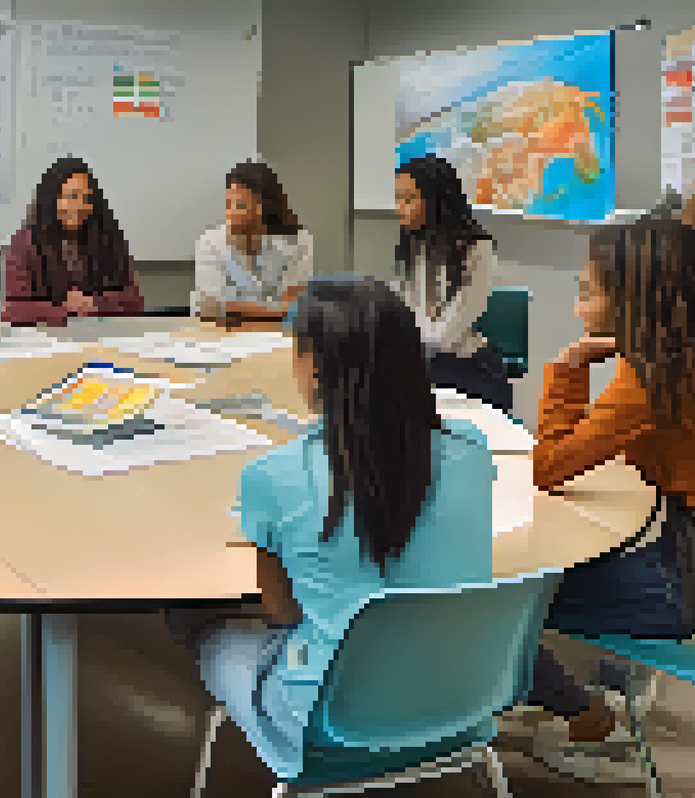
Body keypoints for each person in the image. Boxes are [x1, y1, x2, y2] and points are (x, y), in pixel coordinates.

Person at [166, 276, 496, 781]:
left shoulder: (274, 476)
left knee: (193, 618)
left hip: (328, 725)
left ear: (314, 367)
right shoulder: (472, 448)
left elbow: (282, 611)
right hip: (461, 704)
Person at [524, 218, 695, 783]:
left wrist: (567, 372)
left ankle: (592, 722)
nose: (576, 309)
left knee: (518, 603)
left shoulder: (648, 377)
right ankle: (610, 694)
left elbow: (549, 467)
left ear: (635, 302)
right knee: (566, 573)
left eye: (586, 292)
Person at [392, 155, 514, 412]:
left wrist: (404, 331)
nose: (399, 208)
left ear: (435, 200)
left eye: (408, 199)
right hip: (423, 361)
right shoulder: (416, 244)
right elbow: (402, 309)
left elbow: (447, 336)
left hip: (467, 371)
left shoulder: (476, 249)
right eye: (398, 199)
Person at [1, 156, 144, 325]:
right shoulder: (24, 244)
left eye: (87, 198)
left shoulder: (108, 239)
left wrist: (94, 304)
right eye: (72, 196)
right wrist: (65, 310)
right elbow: (12, 310)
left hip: (103, 338)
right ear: (52, 199)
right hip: (47, 342)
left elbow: (135, 302)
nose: (79, 205)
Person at [193, 161, 315, 327]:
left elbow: (296, 305)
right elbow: (212, 308)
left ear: (264, 208)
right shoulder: (211, 242)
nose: (231, 213)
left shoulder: (298, 240)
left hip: (279, 334)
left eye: (240, 205)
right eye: (229, 205)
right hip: (224, 335)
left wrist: (236, 307)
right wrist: (274, 306)